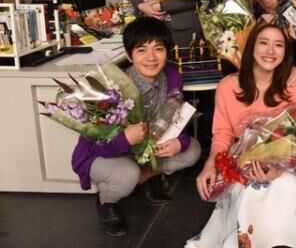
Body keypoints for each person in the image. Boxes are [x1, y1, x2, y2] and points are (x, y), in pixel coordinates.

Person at [187, 22, 296, 248]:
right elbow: (222, 134)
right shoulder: (227, 86)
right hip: (239, 162)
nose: (270, 51)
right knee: (251, 190)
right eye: (263, 43)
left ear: (285, 53)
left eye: (278, 45)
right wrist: (210, 164)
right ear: (252, 47)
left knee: (285, 184)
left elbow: (294, 137)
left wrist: (278, 168)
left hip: (282, 162)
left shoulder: (292, 86)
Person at [71, 17, 201, 237]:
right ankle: (106, 200)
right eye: (141, 50)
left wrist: (180, 142)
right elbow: (98, 145)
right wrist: (125, 139)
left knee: (192, 150)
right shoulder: (113, 87)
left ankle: (144, 178)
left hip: (146, 148)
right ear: (129, 55)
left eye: (158, 49)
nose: (151, 57)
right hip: (102, 154)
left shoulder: (172, 77)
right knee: (127, 175)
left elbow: (177, 120)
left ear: (167, 52)